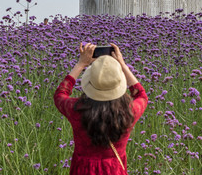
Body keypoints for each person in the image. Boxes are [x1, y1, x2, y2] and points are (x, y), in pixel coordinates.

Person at [53, 42, 148, 174]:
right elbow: (142, 95)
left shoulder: (76, 110)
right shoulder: (129, 111)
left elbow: (60, 94)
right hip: (115, 170)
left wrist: (81, 64)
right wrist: (122, 64)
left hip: (83, 170)